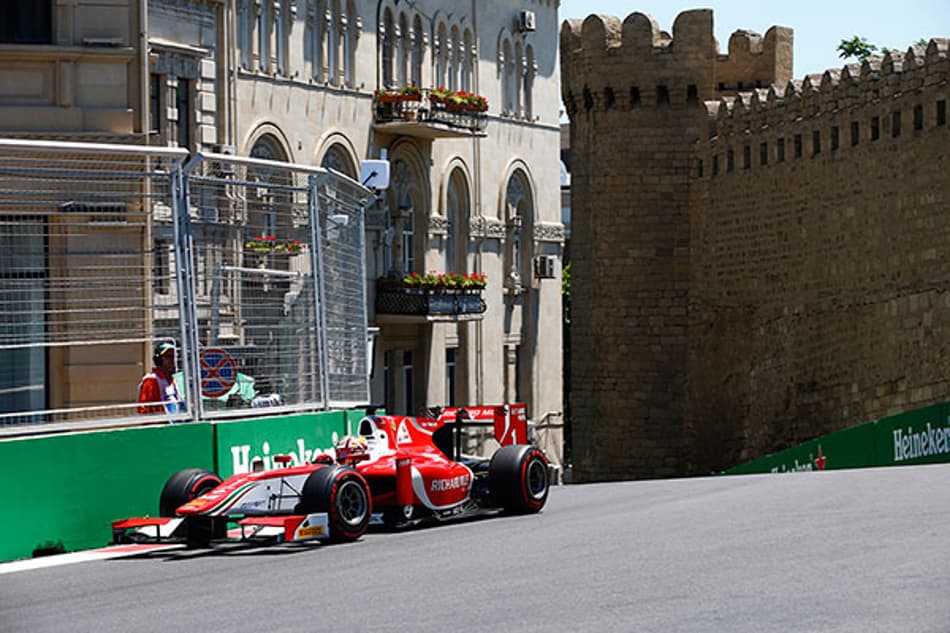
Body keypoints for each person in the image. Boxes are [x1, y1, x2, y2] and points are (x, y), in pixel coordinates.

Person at [137, 342, 185, 417]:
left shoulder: (170, 379)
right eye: (168, 357)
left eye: (174, 357)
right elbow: (146, 409)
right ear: (159, 360)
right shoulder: (151, 380)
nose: (172, 360)